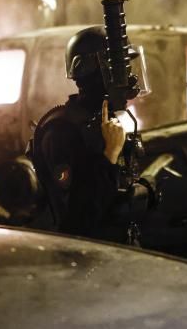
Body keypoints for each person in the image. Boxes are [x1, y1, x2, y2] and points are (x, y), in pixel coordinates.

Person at [29, 26, 128, 237]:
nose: (127, 77)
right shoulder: (61, 131)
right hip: (83, 259)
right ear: (94, 72)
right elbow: (79, 219)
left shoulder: (104, 124)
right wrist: (110, 154)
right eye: (117, 69)